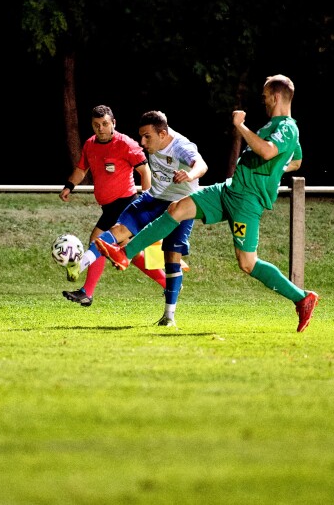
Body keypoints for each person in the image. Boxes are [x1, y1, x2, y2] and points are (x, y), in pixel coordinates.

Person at [95, 75, 318, 333]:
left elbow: (268, 152)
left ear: (276, 97)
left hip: (247, 201)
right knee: (177, 208)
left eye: (266, 96)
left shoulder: (288, 127)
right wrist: (278, 168)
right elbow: (296, 160)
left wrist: (241, 127)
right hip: (229, 189)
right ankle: (126, 254)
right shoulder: (277, 127)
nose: (264, 100)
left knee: (247, 263)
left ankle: (302, 298)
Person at [62, 110, 207, 326]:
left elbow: (201, 165)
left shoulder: (180, 146)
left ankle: (169, 317)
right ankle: (80, 266)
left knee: (171, 257)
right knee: (116, 232)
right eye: (141, 136)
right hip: (153, 199)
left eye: (147, 136)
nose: (142, 141)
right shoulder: (95, 144)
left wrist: (190, 174)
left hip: (180, 205)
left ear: (163, 134)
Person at [59, 105, 166, 288]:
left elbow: (145, 171)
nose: (100, 128)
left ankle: (84, 285)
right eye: (96, 124)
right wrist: (69, 186)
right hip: (108, 207)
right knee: (127, 250)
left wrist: (146, 200)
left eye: (105, 123)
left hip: (126, 203)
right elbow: (81, 169)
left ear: (113, 123)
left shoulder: (125, 144)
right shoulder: (90, 145)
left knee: (98, 242)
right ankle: (168, 283)